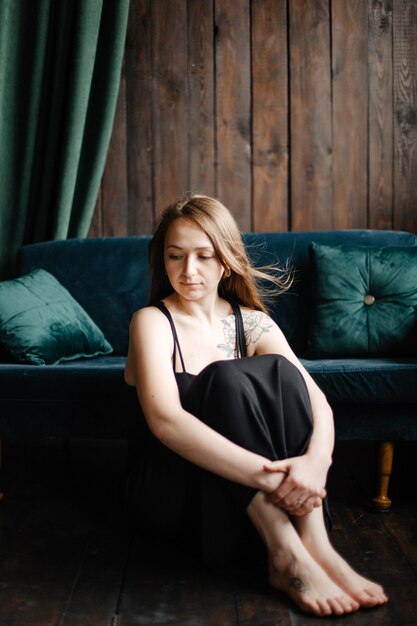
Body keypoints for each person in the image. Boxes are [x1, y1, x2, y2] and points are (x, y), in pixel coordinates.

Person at [124, 193, 388, 617]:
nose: (188, 271)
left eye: (204, 256)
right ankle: (286, 555)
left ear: (225, 260)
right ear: (163, 261)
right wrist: (273, 478)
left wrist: (315, 465)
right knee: (225, 377)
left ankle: (318, 546)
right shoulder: (152, 321)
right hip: (176, 491)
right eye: (175, 257)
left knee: (280, 372)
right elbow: (166, 422)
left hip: (268, 493)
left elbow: (315, 400)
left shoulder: (254, 321)